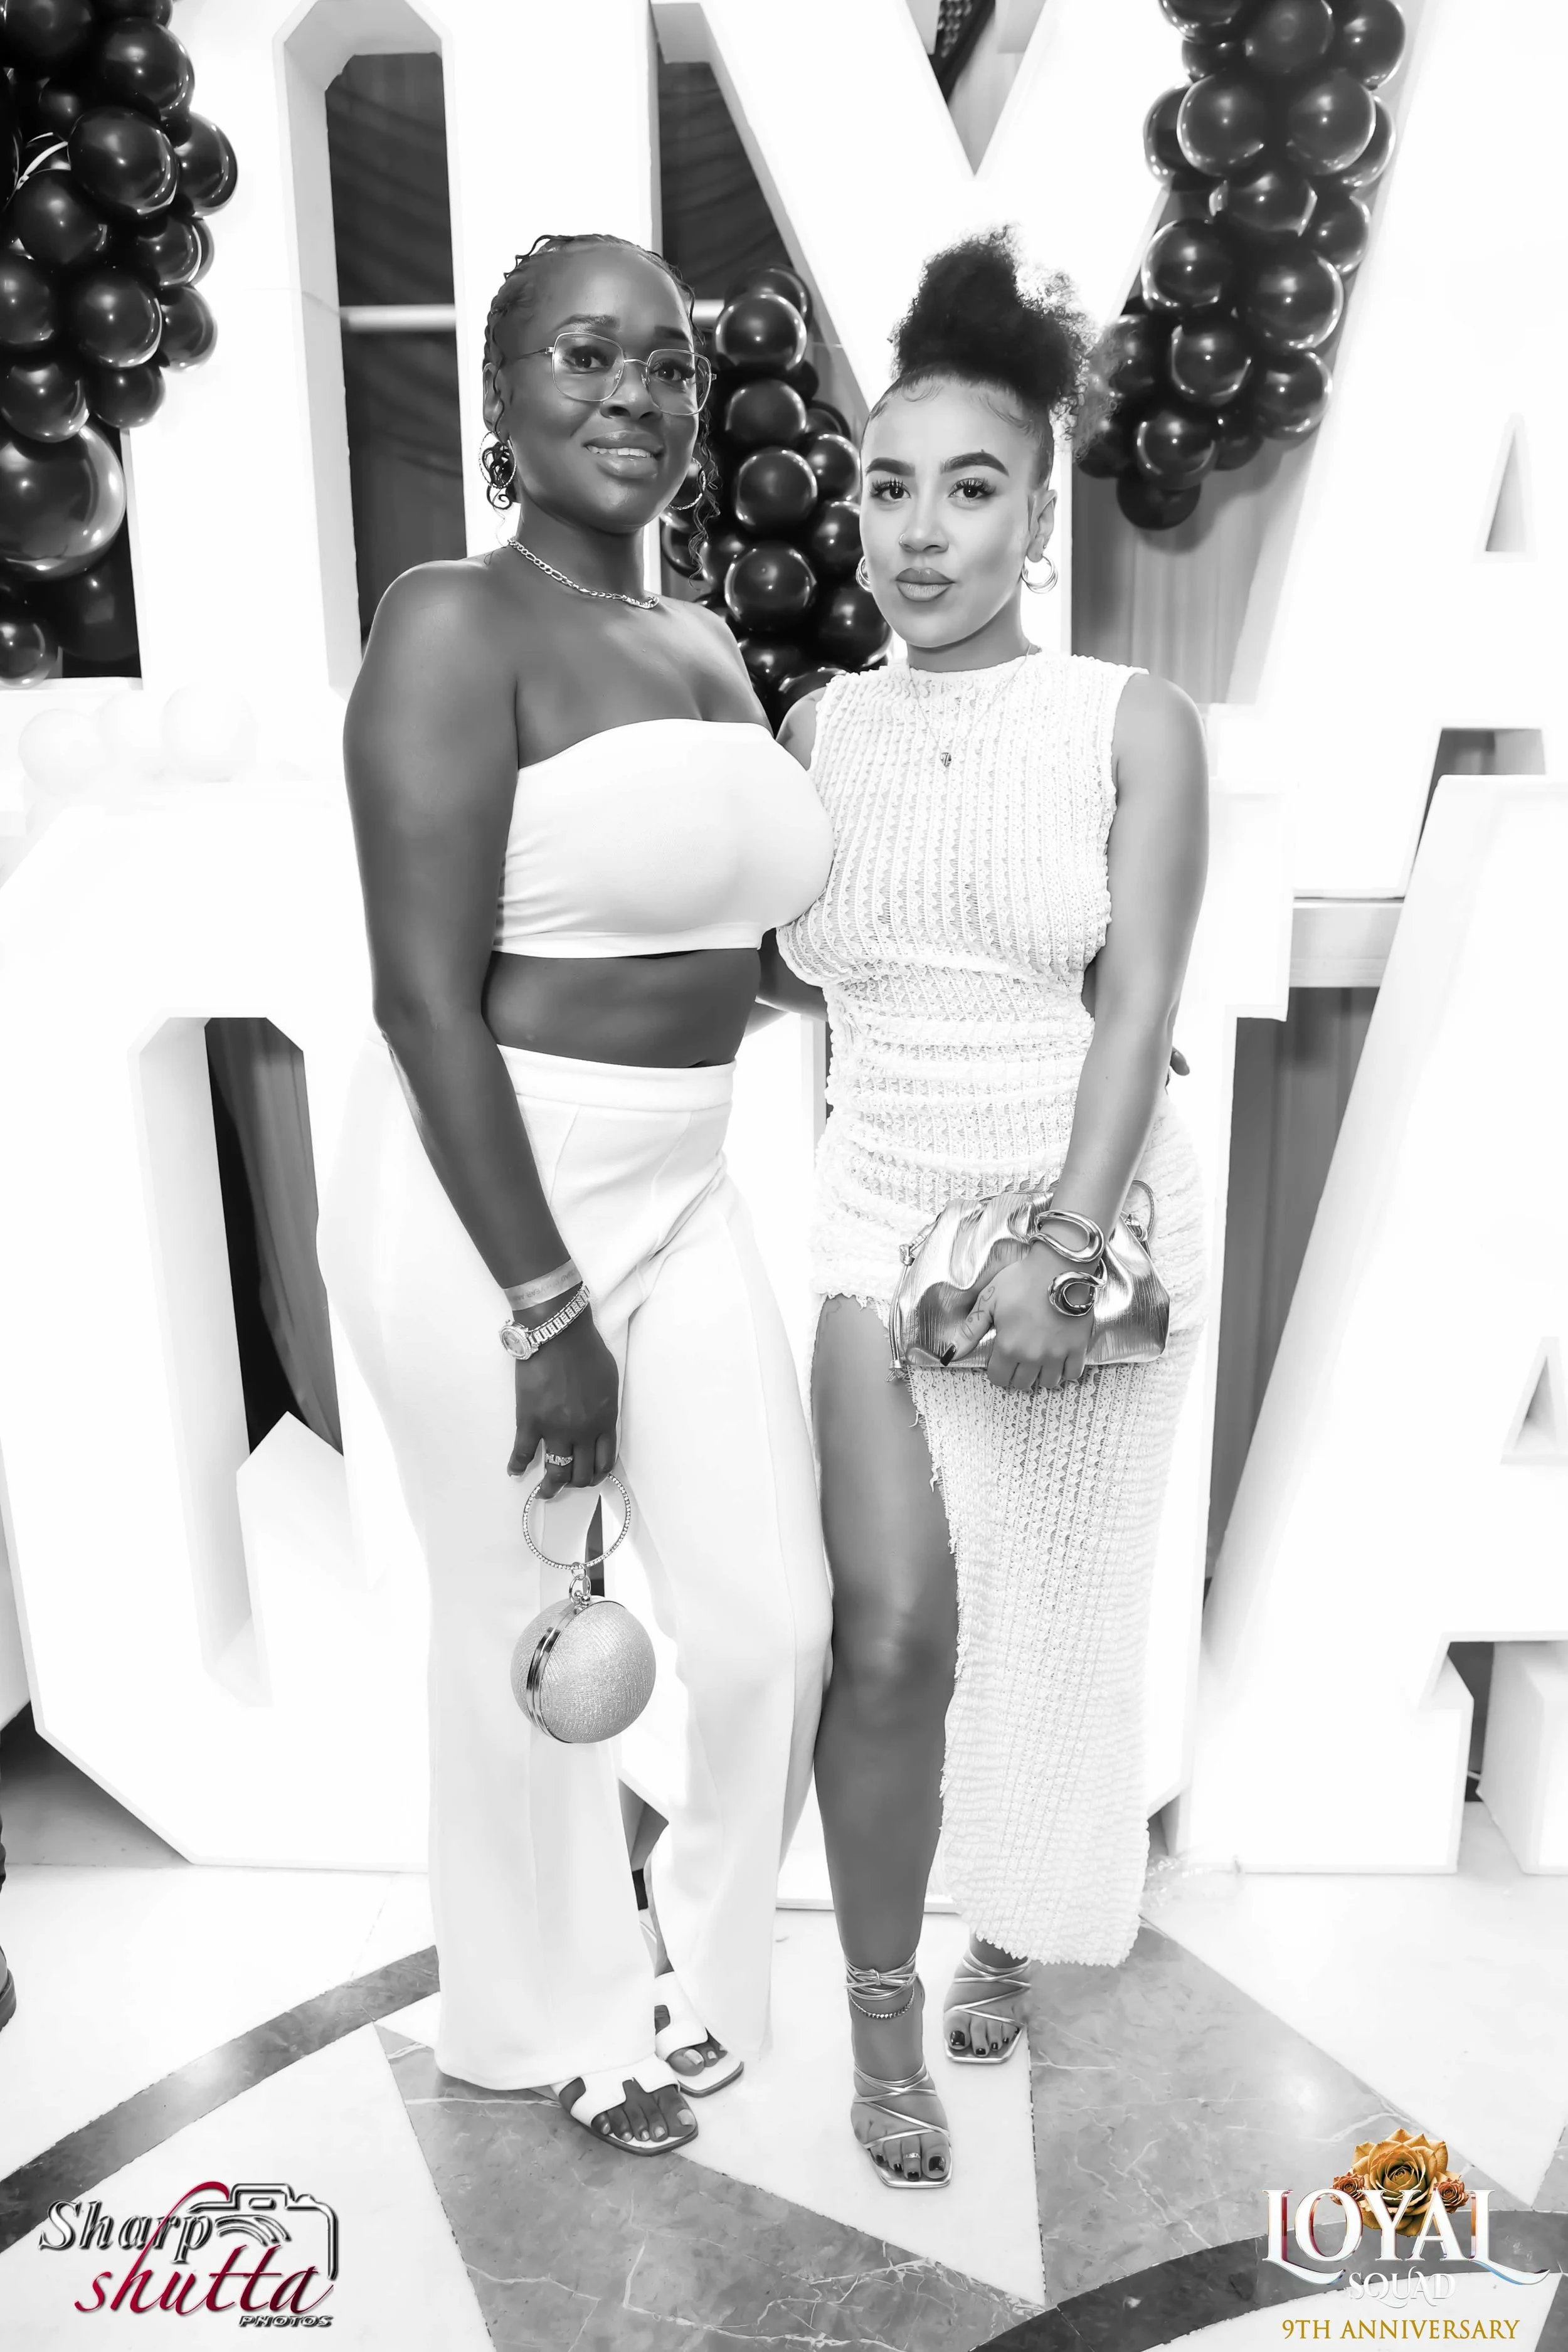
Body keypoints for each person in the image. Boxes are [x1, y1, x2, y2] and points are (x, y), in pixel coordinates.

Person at [318, 232, 834, 2161]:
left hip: (683, 1179)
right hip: (486, 1192)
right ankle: (555, 2019)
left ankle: (698, 1962)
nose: (635, 392)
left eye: (669, 365)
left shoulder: (700, 645)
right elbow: (418, 992)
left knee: (771, 1619)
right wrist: (545, 1309)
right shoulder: (453, 622)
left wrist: (996, 990)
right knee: (525, 1634)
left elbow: (741, 952)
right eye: (585, 354)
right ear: (500, 394)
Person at [763, 230, 1209, 2190]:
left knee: (1044, 1625)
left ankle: (1008, 1924)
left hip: (1081, 1210)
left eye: (968, 488)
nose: (918, 530)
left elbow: (1141, 1000)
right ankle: (880, 2014)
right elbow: (786, 969)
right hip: (873, 1211)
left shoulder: (1126, 719)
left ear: (1037, 511)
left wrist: (1066, 1244)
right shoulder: (814, 732)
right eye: (887, 486)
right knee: (886, 1635)